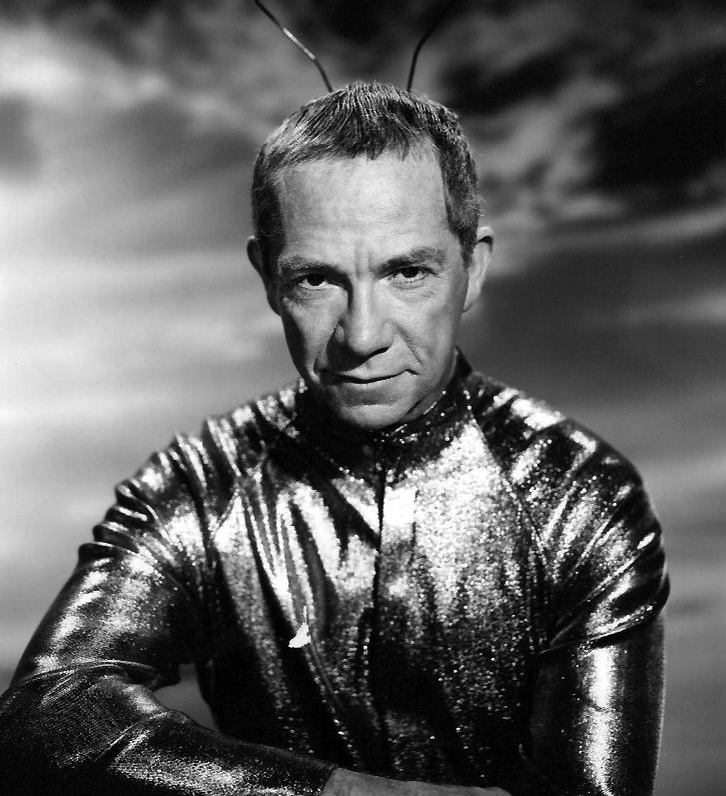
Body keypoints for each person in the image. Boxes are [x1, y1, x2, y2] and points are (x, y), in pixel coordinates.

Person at [0, 82, 668, 795]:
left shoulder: (579, 496)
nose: (363, 335)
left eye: (407, 272)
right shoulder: (200, 486)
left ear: (472, 269)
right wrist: (343, 794)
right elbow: (46, 716)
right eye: (317, 280)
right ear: (267, 277)